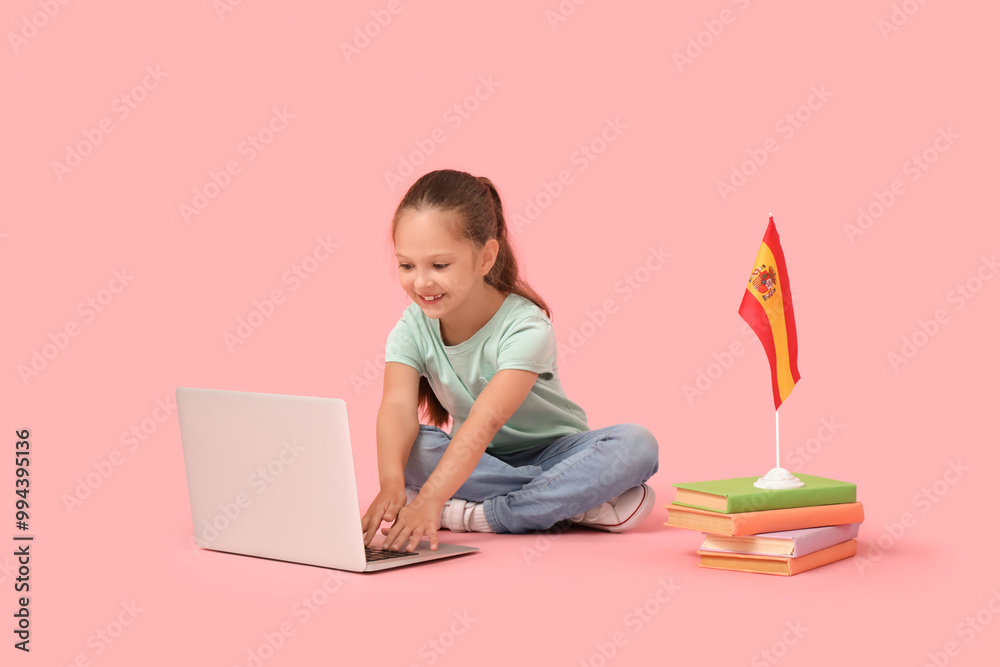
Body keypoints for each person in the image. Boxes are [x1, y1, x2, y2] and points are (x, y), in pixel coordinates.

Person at [361, 169, 659, 552]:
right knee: (412, 449)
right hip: (477, 461)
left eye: (439, 266)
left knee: (636, 444)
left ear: (485, 258)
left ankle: (476, 515)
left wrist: (432, 500)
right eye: (407, 266)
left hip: (556, 453)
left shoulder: (525, 326)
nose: (421, 283)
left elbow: (486, 422)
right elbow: (397, 405)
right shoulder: (412, 326)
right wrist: (390, 483)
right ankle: (575, 500)